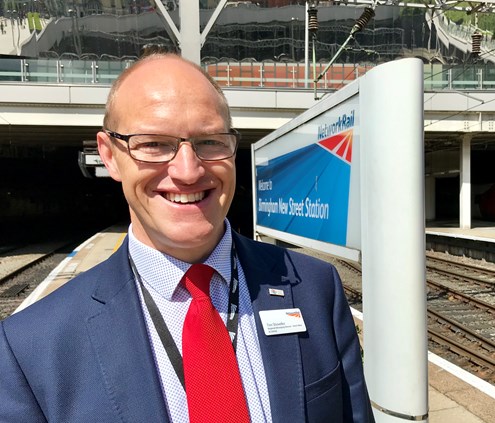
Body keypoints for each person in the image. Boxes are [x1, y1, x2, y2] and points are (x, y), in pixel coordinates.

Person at [0, 53, 373, 422]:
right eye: (153, 144)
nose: (188, 171)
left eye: (209, 141)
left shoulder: (315, 288)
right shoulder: (31, 347)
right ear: (110, 156)